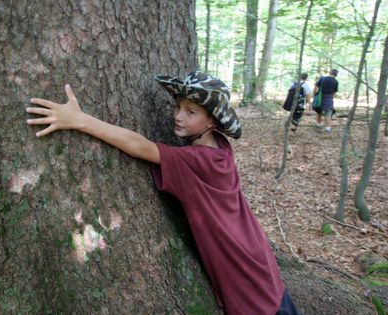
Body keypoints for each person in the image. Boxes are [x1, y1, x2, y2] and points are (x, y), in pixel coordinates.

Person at [26, 71, 299, 315]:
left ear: (212, 122)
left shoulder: (196, 161)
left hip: (249, 287)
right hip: (263, 267)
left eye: (191, 112)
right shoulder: (221, 149)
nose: (178, 116)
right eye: (178, 106)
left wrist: (79, 120)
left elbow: (139, 146)